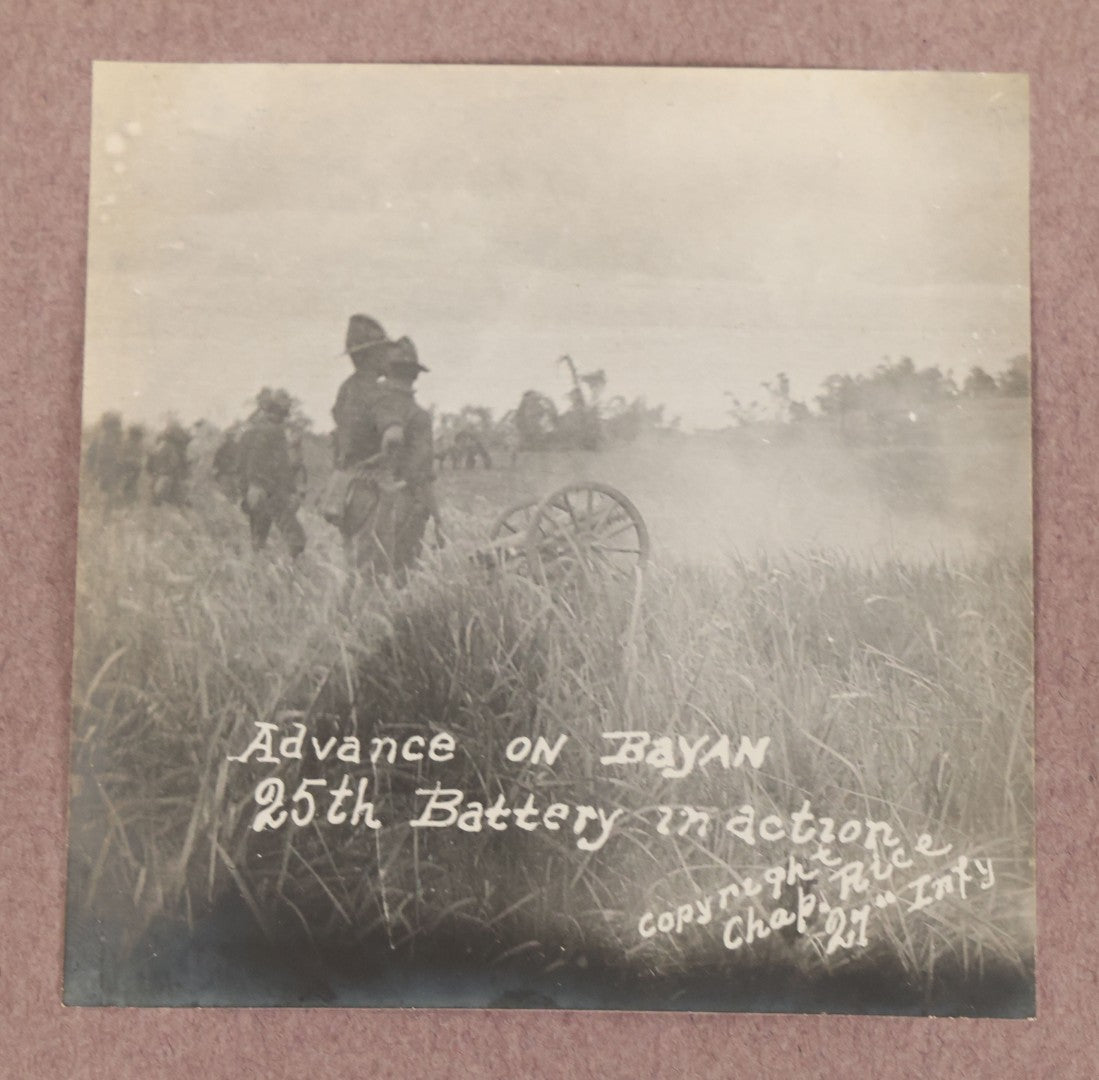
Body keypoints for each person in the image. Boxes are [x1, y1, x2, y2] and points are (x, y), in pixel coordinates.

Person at [340, 336, 440, 580]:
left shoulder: (365, 401)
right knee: (398, 574)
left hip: (357, 495)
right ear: (415, 374)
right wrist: (437, 516)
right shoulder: (418, 415)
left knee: (360, 571)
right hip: (399, 499)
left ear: (387, 369)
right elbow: (421, 474)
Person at [237, 389, 306, 557]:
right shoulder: (276, 433)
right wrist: (291, 491)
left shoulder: (249, 432)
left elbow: (241, 464)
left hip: (254, 491)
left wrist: (245, 489)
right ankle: (290, 574)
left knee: (258, 537)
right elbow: (284, 467)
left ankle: (257, 572)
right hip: (271, 491)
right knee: (296, 539)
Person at [147, 422, 192, 507]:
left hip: (168, 471)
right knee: (166, 483)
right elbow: (159, 457)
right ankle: (159, 499)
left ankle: (176, 500)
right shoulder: (167, 445)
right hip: (165, 471)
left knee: (173, 484)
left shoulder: (170, 446)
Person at [85, 412, 125, 505]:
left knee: (106, 493)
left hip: (109, 468)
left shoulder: (115, 438)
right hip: (103, 467)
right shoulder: (101, 438)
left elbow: (119, 455)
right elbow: (92, 454)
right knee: (102, 492)